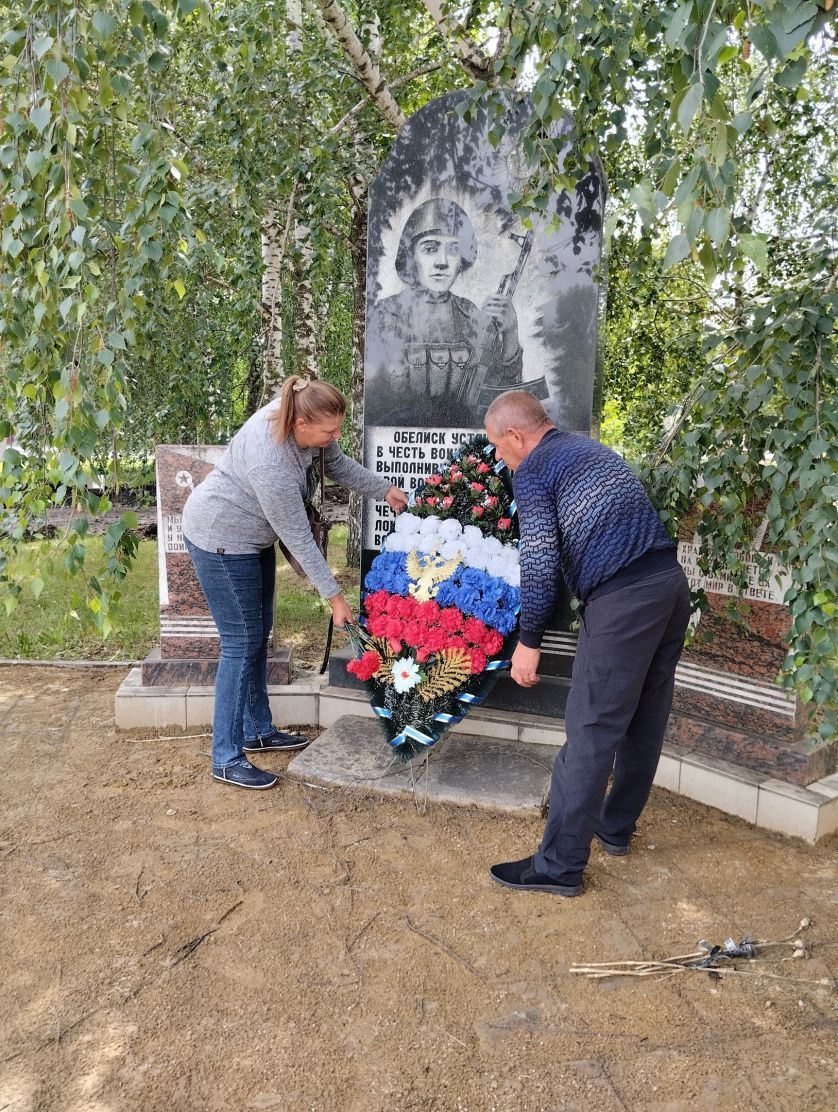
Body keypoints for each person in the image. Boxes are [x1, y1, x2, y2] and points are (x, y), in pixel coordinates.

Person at [484, 391, 691, 896]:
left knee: (591, 730)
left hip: (623, 601)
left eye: (498, 446)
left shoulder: (533, 471)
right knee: (644, 718)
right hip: (669, 586)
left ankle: (557, 867)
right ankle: (614, 827)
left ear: (516, 435)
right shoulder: (589, 450)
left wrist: (528, 641)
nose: (499, 457)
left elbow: (538, 561)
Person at [182, 377, 408, 790]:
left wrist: (384, 489)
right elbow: (301, 539)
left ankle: (258, 729)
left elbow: (335, 464)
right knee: (240, 642)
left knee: (257, 634)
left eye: (338, 428)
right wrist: (336, 600)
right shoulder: (273, 464)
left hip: (251, 537)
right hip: (220, 538)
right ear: (301, 424)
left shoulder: (303, 414)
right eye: (329, 431)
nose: (335, 437)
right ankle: (226, 756)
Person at [366, 198, 524, 427]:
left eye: (453, 250)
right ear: (411, 258)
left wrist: (510, 331)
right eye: (430, 249)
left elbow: (503, 398)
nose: (442, 262)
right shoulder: (385, 315)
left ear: (462, 261)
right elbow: (371, 402)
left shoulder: (471, 317)